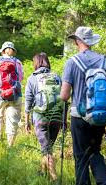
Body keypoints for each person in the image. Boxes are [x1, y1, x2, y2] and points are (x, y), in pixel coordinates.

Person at [61, 26, 106, 185]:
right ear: (90, 42)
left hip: (79, 116)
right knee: (95, 152)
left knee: (81, 156)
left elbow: (64, 95)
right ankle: (104, 182)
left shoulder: (72, 62)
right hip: (100, 114)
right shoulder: (104, 61)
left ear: (78, 41)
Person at [25, 52, 62, 181]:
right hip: (56, 117)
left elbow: (28, 102)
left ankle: (54, 178)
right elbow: (64, 98)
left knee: (46, 149)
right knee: (48, 146)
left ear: (36, 63)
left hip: (40, 118)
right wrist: (64, 118)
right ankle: (42, 171)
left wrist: (27, 121)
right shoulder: (57, 77)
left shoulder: (32, 78)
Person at [0, 41, 23, 147]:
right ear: (13, 51)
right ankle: (10, 145)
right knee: (13, 119)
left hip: (0, 94)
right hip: (15, 94)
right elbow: (21, 78)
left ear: (3, 51)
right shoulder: (18, 62)